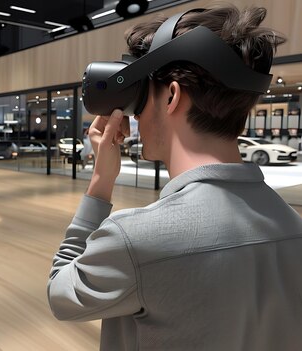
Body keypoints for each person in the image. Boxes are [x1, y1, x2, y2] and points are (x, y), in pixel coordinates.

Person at [47, 5, 302, 350]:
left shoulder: (133, 239)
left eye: (140, 98)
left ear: (171, 96)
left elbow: (61, 295)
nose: (135, 115)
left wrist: (100, 184)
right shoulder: (293, 226)